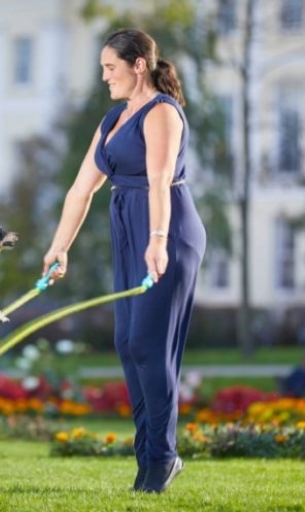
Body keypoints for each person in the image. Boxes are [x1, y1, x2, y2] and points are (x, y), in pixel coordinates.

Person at [42, 28, 207, 493]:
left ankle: (163, 457)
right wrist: (59, 246)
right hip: (129, 232)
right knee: (127, 343)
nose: (104, 77)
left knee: (149, 344)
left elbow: (159, 181)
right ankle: (148, 457)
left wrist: (157, 241)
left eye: (110, 67)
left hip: (168, 232)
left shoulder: (162, 113)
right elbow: (82, 189)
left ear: (138, 66)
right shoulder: (115, 117)